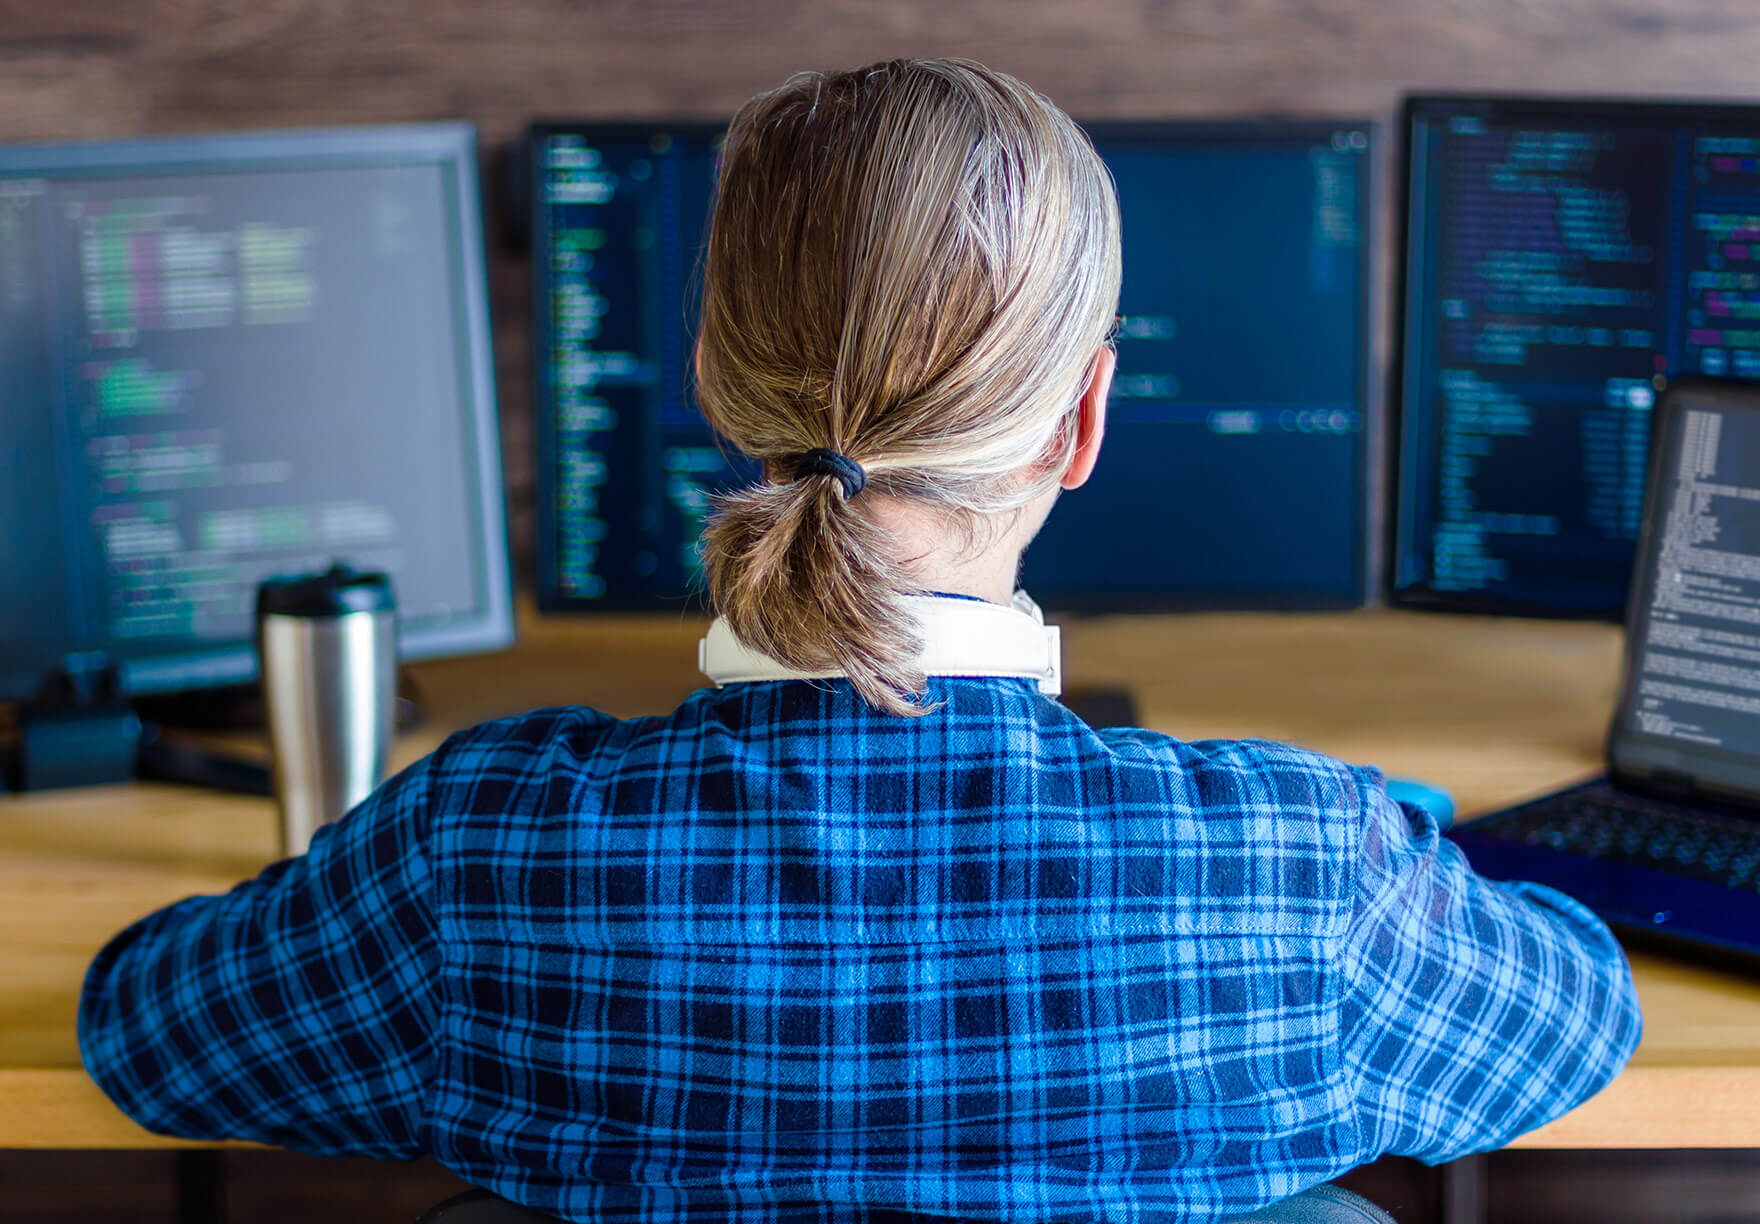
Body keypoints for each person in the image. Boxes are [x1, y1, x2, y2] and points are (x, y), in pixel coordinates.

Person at [80, 58, 1641, 1223]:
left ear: (706, 379)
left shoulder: (478, 852)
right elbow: (1584, 1015)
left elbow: (147, 1034)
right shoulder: (1296, 867)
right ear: (1085, 420)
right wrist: (1391, 847)